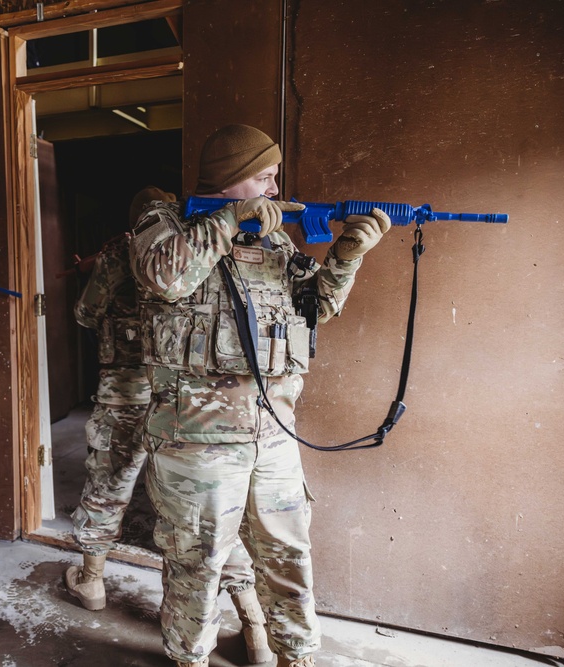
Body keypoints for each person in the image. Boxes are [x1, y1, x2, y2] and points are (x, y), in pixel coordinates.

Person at [128, 125, 391, 667]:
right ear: (229, 179)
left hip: (272, 435)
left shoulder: (275, 239)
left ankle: (296, 655)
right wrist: (227, 221)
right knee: (196, 565)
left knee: (288, 557)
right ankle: (190, 658)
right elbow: (162, 277)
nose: (274, 189)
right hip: (196, 443)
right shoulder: (165, 226)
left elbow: (315, 308)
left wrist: (347, 255)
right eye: (264, 177)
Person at [65, 187, 274, 665]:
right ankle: (255, 628)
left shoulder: (124, 251)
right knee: (215, 519)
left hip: (126, 391)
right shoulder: (202, 246)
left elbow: (85, 312)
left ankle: (93, 581)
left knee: (108, 485)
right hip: (186, 397)